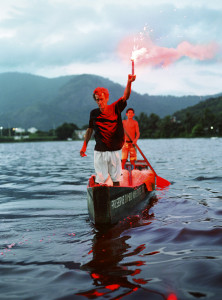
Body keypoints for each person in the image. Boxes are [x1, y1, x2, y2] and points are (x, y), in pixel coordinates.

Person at [80, 74, 136, 186]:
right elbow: (90, 130)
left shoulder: (115, 108)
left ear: (106, 98)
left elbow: (125, 96)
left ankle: (117, 197)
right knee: (100, 182)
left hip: (114, 151)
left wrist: (129, 82)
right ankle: (101, 198)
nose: (99, 102)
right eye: (97, 100)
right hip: (99, 151)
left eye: (101, 99)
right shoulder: (94, 113)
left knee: (116, 180)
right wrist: (84, 146)